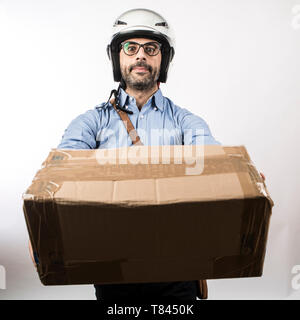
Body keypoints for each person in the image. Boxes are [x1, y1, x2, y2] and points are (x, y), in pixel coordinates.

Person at [29, 8, 265, 301]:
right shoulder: (91, 122)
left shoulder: (186, 122)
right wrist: (39, 222)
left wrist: (237, 179)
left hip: (178, 270)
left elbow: (212, 168)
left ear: (162, 60)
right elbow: (59, 177)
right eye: (131, 47)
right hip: (112, 269)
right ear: (118, 57)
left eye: (151, 48)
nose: (140, 55)